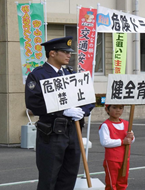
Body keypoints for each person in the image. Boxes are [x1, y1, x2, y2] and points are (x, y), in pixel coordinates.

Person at [25, 36, 95, 190]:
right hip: (51, 132)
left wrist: (82, 111)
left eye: (69, 52)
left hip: (73, 130)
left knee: (69, 175)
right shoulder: (38, 75)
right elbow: (34, 103)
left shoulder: (72, 74)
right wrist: (63, 110)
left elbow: (89, 98)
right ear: (52, 53)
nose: (69, 55)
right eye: (64, 51)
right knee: (49, 176)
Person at [99, 104, 135, 190]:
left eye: (120, 108)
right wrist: (122, 142)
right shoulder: (105, 125)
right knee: (112, 183)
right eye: (114, 108)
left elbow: (131, 140)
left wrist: (131, 137)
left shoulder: (126, 123)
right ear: (107, 110)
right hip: (112, 160)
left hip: (125, 158)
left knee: (123, 181)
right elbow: (105, 142)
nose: (118, 110)